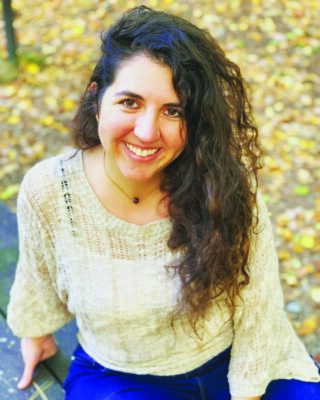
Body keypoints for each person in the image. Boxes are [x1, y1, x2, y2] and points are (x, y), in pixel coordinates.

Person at [7, 6, 320, 400]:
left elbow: (258, 306)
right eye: (130, 102)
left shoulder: (224, 183)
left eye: (173, 111)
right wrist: (35, 332)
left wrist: (248, 392)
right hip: (123, 378)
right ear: (96, 97)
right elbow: (38, 274)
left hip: (243, 360)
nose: (146, 131)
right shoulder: (51, 191)